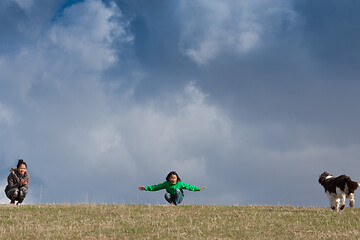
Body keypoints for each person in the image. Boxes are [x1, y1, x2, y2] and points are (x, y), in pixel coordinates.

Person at [138, 171, 206, 205]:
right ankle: (172, 203)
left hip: (179, 198)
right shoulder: (166, 184)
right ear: (169, 178)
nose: (173, 180)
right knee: (166, 194)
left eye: (174, 178)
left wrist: (198, 189)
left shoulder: (180, 184)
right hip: (172, 198)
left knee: (177, 190)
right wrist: (146, 188)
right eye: (171, 178)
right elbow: (156, 187)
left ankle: (175, 204)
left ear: (177, 179)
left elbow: (189, 187)